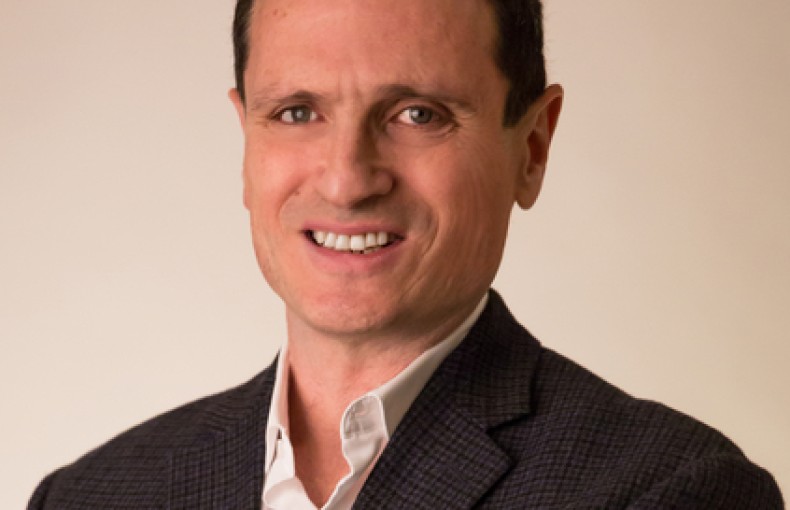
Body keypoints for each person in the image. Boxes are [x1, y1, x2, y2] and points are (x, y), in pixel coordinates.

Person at [28, 0, 784, 508]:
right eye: (297, 112)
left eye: (417, 114)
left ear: (531, 147)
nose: (346, 179)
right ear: (246, 142)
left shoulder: (669, 490)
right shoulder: (89, 496)